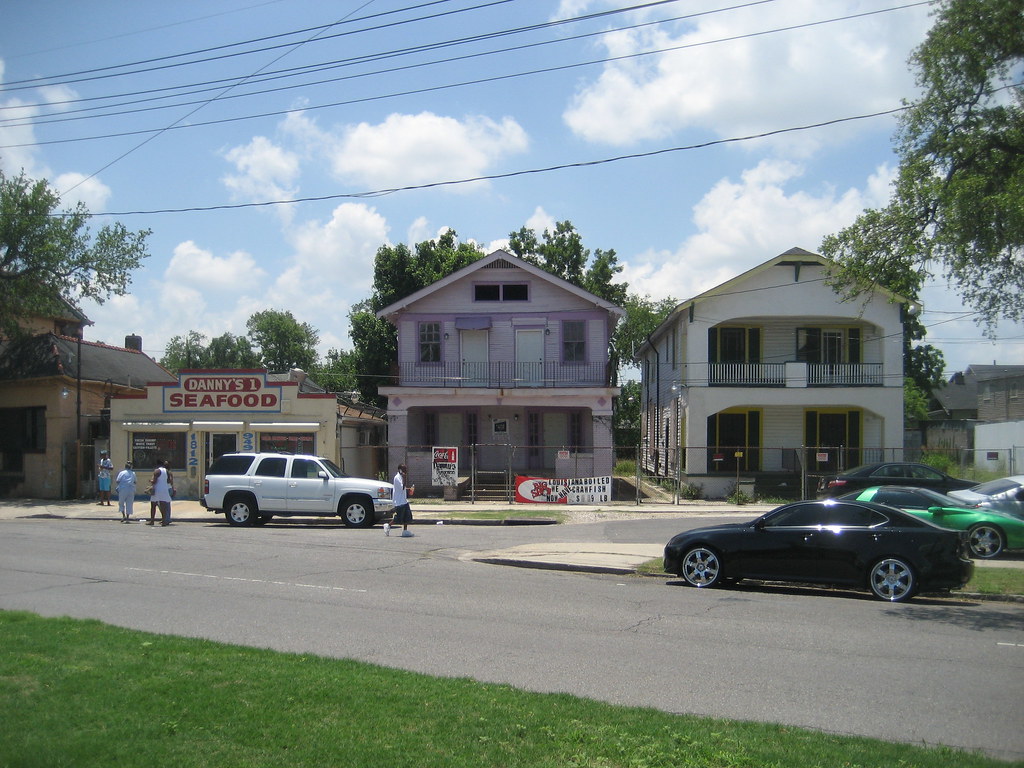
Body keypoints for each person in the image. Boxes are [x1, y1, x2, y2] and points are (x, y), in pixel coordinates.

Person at [385, 463, 415, 537]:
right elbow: (401, 488)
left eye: (406, 469)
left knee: (407, 516)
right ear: (400, 470)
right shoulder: (397, 478)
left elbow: (403, 488)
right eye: (404, 469)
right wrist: (405, 478)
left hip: (404, 500)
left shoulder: (401, 477)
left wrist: (409, 489)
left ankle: (405, 531)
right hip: (399, 501)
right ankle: (388, 525)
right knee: (399, 518)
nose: (406, 471)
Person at [147, 459, 174, 526]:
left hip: (157, 489)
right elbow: (168, 481)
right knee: (163, 505)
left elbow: (154, 481)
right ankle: (164, 521)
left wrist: (150, 481)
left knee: (153, 505)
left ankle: (152, 521)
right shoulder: (166, 471)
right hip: (164, 489)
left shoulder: (157, 471)